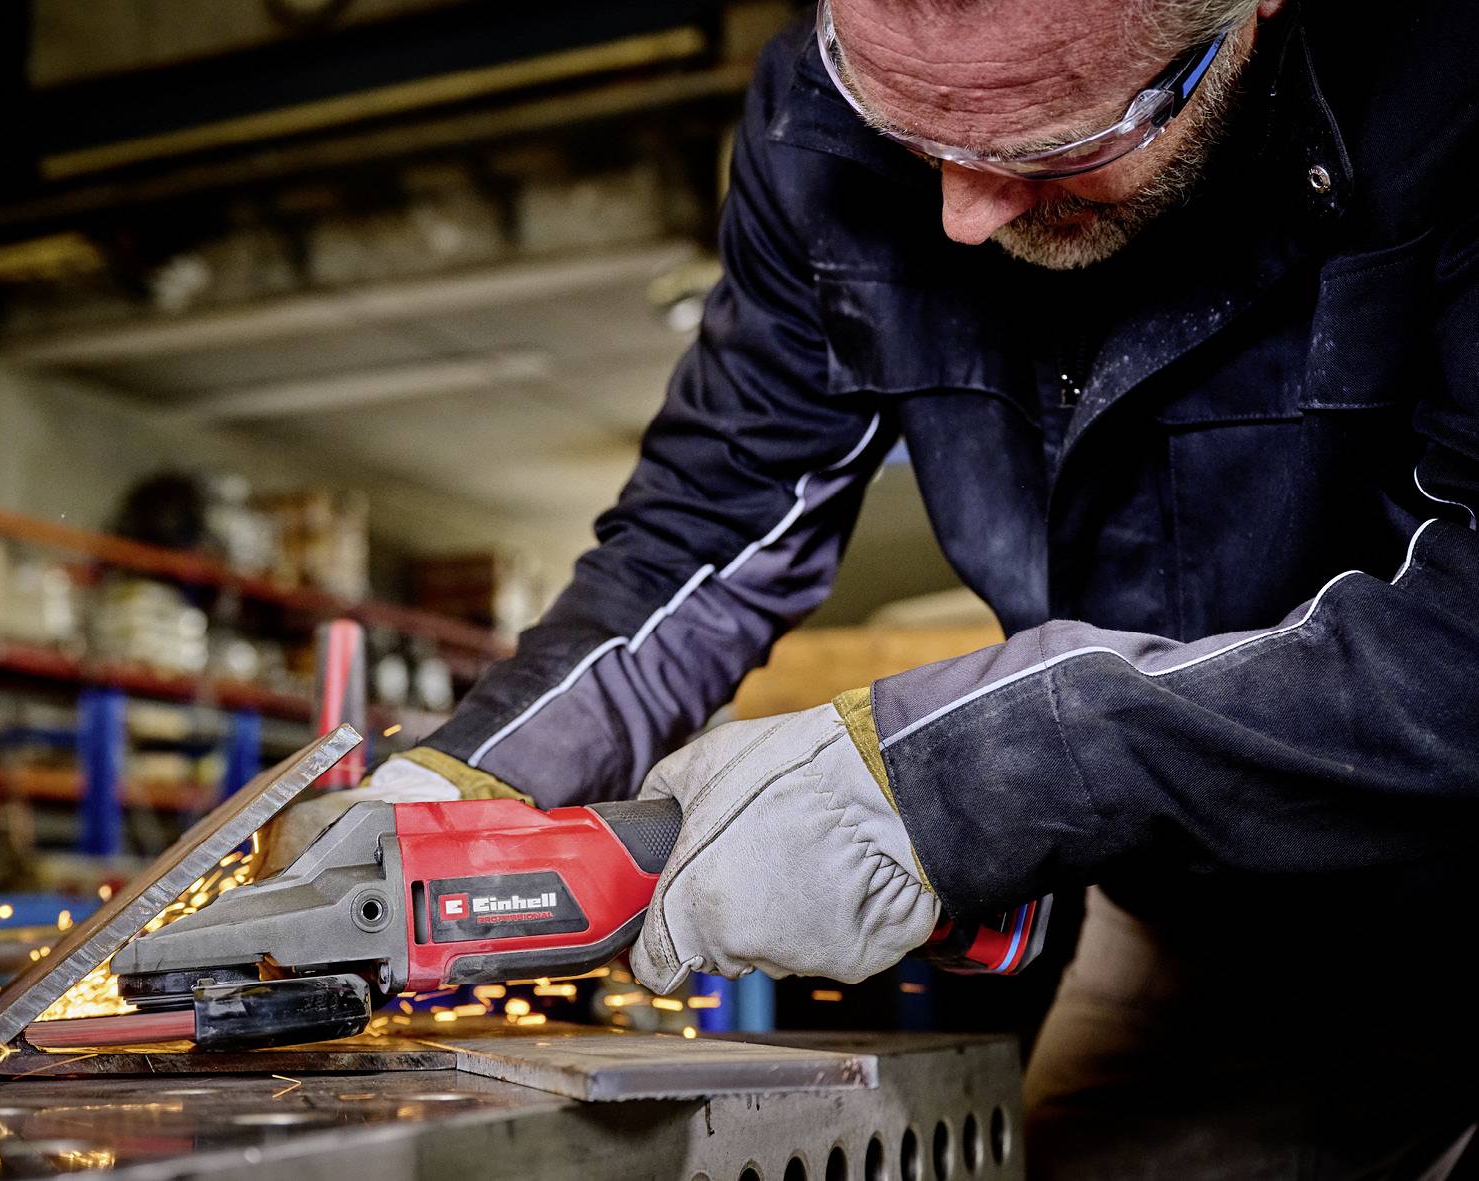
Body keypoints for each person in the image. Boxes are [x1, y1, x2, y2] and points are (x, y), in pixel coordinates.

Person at [270, 0, 1479, 1173]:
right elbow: (712, 521)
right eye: (907, 128)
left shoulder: (1451, 87)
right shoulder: (814, 120)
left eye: (1052, 143)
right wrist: (468, 778)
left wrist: (959, 775)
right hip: (1204, 919)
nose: (958, 214)